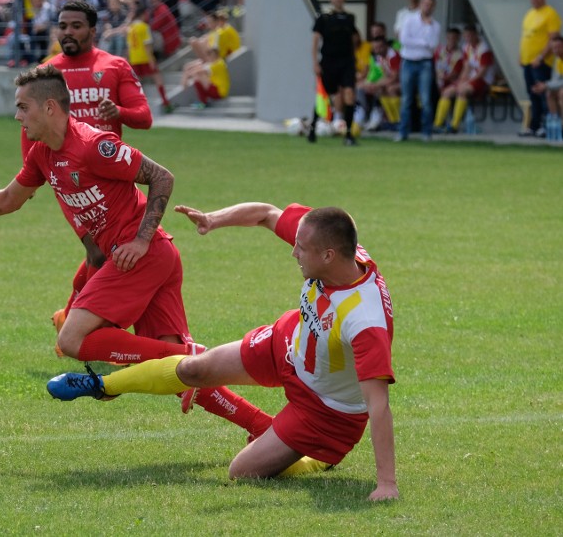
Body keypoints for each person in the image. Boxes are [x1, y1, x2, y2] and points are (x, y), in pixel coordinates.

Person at [0, 64, 274, 439]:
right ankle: (261, 425)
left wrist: (140, 239)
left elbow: (162, 177)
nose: (17, 115)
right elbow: (10, 199)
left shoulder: (93, 146)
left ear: (50, 107)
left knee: (71, 340)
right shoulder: (42, 154)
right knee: (178, 375)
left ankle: (186, 351)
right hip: (149, 258)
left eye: (24, 107)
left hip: (142, 255)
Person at [48, 200, 398, 502]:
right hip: (286, 344)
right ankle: (101, 386)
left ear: (328, 255)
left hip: (326, 410)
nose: (293, 252)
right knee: (193, 370)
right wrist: (214, 219)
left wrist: (386, 484)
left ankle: (320, 459)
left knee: (242, 472)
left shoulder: (365, 320)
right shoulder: (331, 243)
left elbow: (378, 404)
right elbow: (265, 213)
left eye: (301, 249)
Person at [28, 0, 152, 342]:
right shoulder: (48, 71)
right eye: (63, 26)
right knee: (99, 252)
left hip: (112, 179)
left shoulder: (114, 66)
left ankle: (73, 321)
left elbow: (144, 117)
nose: (68, 32)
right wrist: (32, 175)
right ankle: (79, 325)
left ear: (92, 30)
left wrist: (119, 111)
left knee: (107, 253)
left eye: (76, 26)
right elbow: (30, 128)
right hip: (69, 181)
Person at [310, 0, 359, 146]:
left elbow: (354, 39)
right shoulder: (323, 18)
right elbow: (315, 40)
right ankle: (313, 127)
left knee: (349, 93)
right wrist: (315, 62)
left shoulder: (350, 18)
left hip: (346, 61)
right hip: (329, 61)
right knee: (326, 95)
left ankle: (349, 134)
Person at [518, 0, 561, 138]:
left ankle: (545, 125)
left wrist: (541, 57)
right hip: (527, 61)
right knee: (532, 94)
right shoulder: (529, 14)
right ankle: (534, 126)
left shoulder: (550, 13)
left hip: (541, 62)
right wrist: (521, 55)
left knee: (543, 92)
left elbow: (553, 38)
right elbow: (525, 37)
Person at [434, 24, 493, 134]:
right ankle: (437, 124)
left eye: (470, 36)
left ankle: (454, 126)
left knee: (462, 91)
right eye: (466, 36)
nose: (468, 38)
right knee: (446, 92)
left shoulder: (484, 49)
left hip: (482, 80)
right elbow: (467, 66)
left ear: (476, 35)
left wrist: (467, 82)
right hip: (470, 78)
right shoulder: (466, 47)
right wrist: (462, 79)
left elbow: (482, 71)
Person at [396, 0, 440, 142]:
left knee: (426, 99)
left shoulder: (435, 25)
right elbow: (404, 40)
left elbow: (433, 45)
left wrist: (427, 30)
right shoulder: (409, 20)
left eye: (430, 5)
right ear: (421, 4)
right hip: (408, 61)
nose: (427, 7)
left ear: (433, 7)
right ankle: (403, 132)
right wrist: (423, 42)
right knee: (407, 99)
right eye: (425, 4)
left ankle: (427, 132)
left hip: (425, 63)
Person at [127, 1, 174, 113]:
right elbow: (147, 44)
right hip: (144, 57)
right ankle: (165, 101)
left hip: (134, 58)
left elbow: (129, 46)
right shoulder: (144, 27)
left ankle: (136, 105)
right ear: (143, 14)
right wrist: (151, 59)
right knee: (157, 76)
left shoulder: (131, 28)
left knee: (137, 82)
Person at [530, 34, 563, 140]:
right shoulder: (557, 61)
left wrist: (546, 85)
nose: (556, 50)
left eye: (559, 47)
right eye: (554, 48)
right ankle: (555, 123)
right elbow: (555, 80)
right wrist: (544, 86)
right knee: (549, 93)